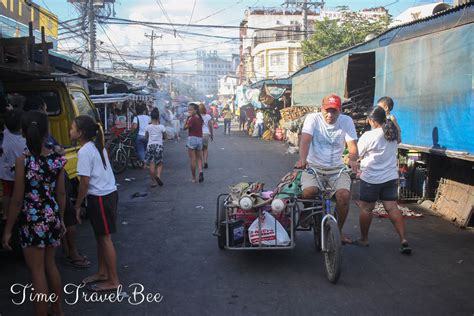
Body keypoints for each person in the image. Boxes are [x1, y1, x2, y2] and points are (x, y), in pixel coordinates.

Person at [2, 110, 66, 316]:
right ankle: (57, 310)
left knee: (37, 272)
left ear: (24, 132)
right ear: (47, 131)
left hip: (32, 220)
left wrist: (8, 229)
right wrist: (61, 219)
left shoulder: (24, 161)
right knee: (50, 266)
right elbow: (61, 194)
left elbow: (17, 199)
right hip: (51, 217)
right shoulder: (57, 160)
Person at [295, 94, 359, 244]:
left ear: (340, 111)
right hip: (313, 166)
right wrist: (303, 159)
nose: (330, 115)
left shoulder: (346, 121)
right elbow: (305, 140)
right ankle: (307, 211)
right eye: (327, 111)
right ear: (321, 109)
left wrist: (353, 160)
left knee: (344, 196)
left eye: (334, 111)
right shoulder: (313, 118)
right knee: (309, 192)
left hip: (337, 168)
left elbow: (352, 146)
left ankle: (339, 230)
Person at [70, 115, 120, 292]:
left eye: (72, 128)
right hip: (107, 194)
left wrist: (77, 205)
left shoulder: (85, 151)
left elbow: (84, 182)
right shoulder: (96, 146)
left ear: (80, 132)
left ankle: (114, 280)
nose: (70, 131)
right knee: (100, 236)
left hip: (100, 196)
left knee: (105, 239)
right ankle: (102, 272)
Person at [354, 106, 411, 254]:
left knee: (366, 209)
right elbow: (399, 138)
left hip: (371, 178)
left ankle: (364, 239)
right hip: (390, 177)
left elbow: (357, 154)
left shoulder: (369, 135)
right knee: (392, 207)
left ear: (372, 121)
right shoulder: (392, 133)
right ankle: (403, 239)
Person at [0, 109, 26, 221]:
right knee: (21, 193)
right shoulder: (25, 139)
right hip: (21, 173)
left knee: (7, 193)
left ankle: (6, 213)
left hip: (6, 172)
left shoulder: (4, 134)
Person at [144, 108, 166, 187]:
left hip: (150, 146)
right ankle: (158, 176)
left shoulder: (148, 127)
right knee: (159, 163)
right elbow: (165, 137)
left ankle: (153, 182)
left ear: (151, 117)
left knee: (152, 164)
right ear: (158, 118)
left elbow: (146, 137)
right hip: (159, 146)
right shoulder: (162, 127)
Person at [184, 103, 204, 183]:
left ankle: (193, 178)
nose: (189, 111)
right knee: (199, 158)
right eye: (188, 109)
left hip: (192, 138)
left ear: (195, 110)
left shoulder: (192, 119)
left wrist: (187, 119)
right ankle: (200, 171)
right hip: (199, 139)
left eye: (190, 110)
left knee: (193, 159)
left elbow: (184, 128)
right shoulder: (200, 118)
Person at [199, 103, 214, 169]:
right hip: (206, 134)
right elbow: (210, 126)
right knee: (205, 148)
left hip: (199, 134)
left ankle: (201, 163)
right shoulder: (208, 116)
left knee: (200, 150)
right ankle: (205, 162)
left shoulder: (197, 116)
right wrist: (212, 135)